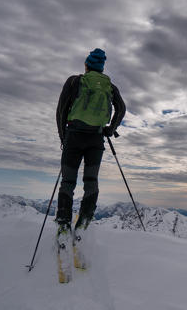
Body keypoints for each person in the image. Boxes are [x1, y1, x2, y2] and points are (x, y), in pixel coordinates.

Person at [55, 48, 125, 234]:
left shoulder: (74, 81)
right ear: (101, 68)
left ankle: (63, 224)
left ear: (86, 65)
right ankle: (84, 223)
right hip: (96, 139)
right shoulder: (110, 86)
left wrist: (64, 137)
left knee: (68, 182)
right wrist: (110, 129)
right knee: (91, 180)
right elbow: (122, 109)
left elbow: (61, 111)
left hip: (74, 137)